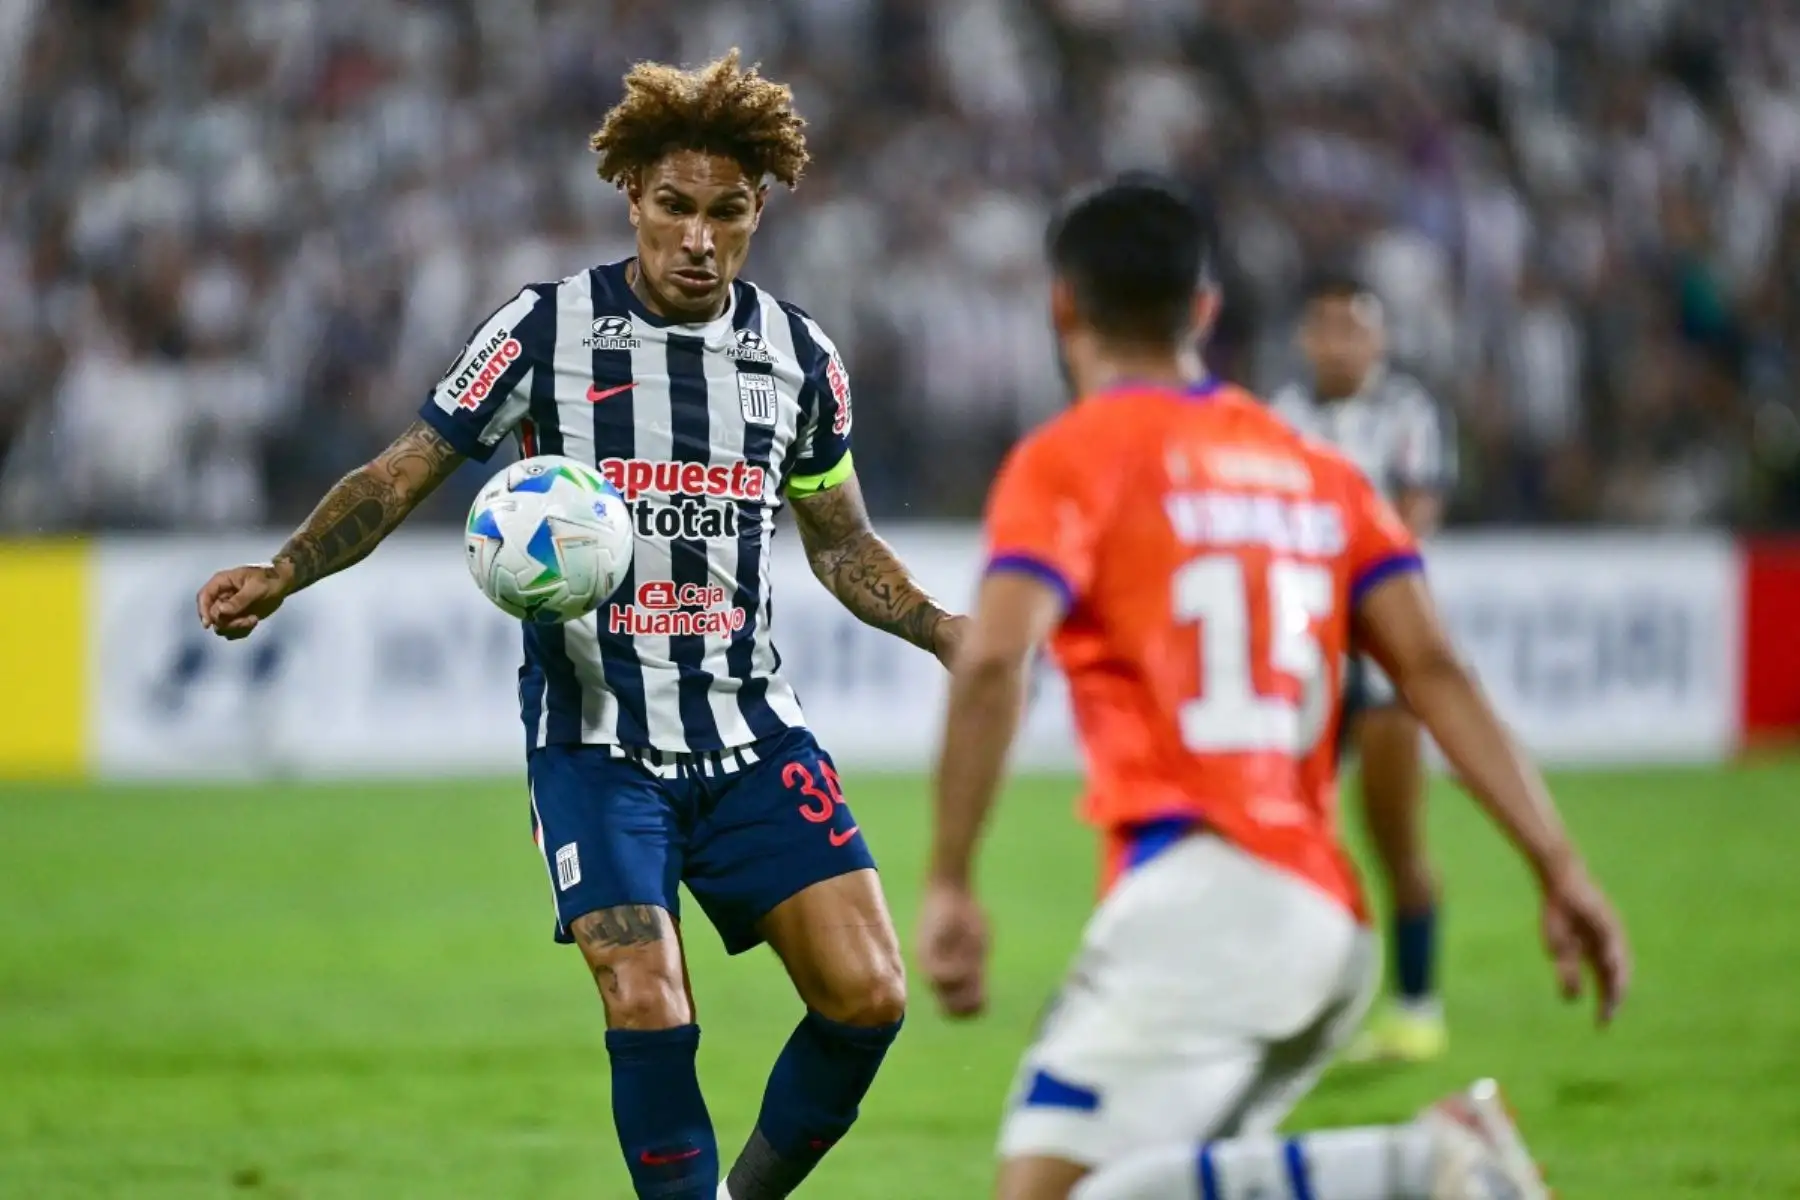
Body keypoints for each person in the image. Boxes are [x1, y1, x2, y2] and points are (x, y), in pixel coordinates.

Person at [196, 52, 966, 1200]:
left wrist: (953, 634)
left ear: (759, 214)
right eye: (675, 207)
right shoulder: (544, 331)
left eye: (727, 212)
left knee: (869, 999)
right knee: (645, 994)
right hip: (597, 741)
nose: (698, 237)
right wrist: (288, 568)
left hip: (755, 734)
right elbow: (405, 472)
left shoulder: (800, 359)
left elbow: (842, 542)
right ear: (633, 201)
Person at [914, 175, 1629, 1200]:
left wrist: (948, 879)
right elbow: (1432, 668)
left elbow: (991, 660)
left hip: (1209, 898)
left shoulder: (1069, 459)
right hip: (1323, 917)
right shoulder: (1314, 469)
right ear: (1205, 311)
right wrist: (1559, 865)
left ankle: (1424, 1164)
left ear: (1062, 305)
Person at [1270, 272, 1457, 1063]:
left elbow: (1412, 523)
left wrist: (1353, 585)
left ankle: (1417, 1008)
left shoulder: (1407, 414)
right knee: (1290, 834)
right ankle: (1303, 1003)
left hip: (1376, 652)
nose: (1340, 343)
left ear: (1376, 340)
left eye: (1355, 329)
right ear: (1307, 338)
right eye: (1327, 328)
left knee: (1393, 830)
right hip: (1302, 650)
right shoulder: (1281, 416)